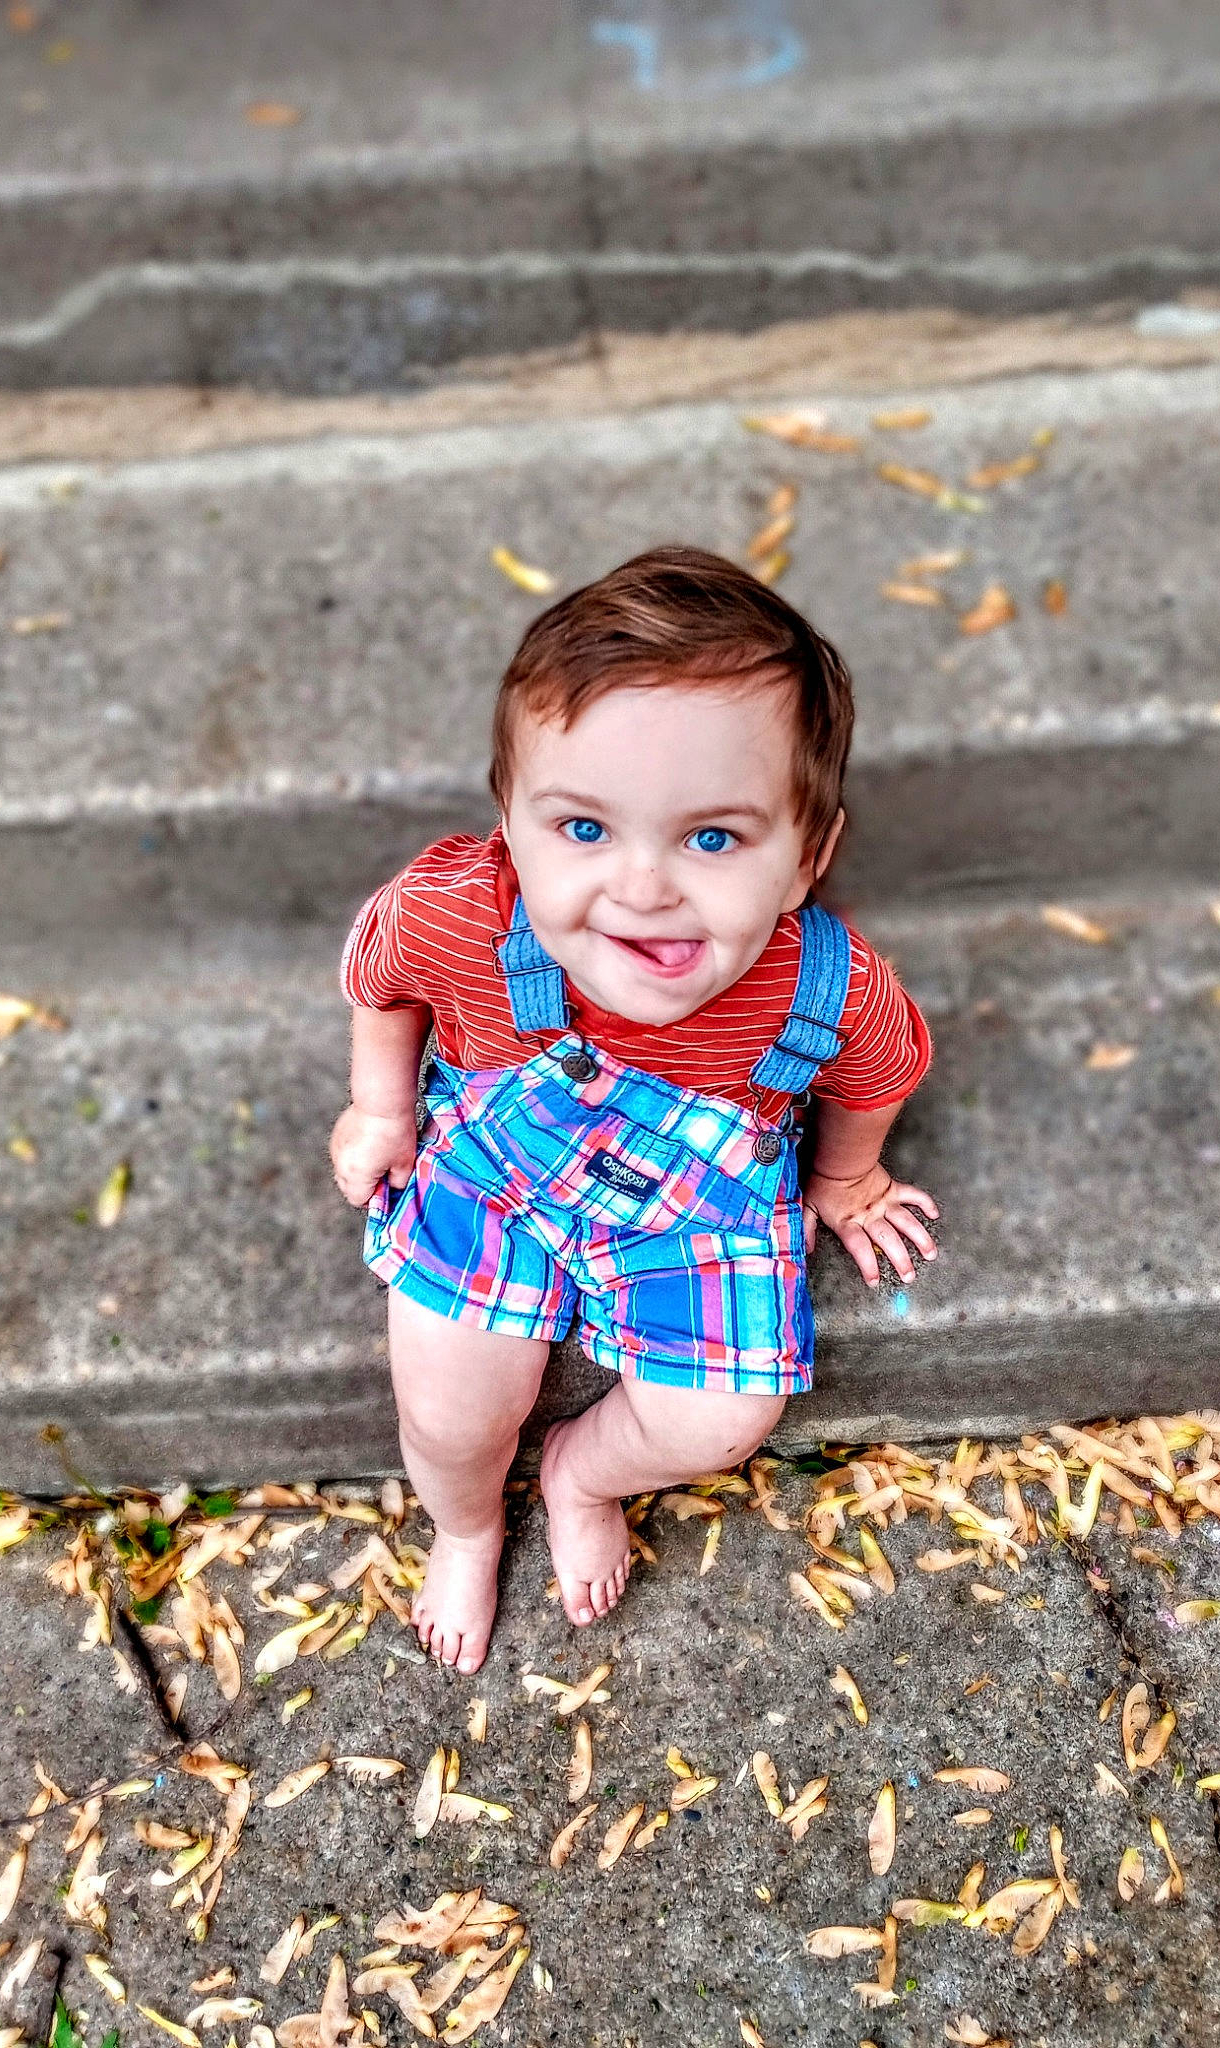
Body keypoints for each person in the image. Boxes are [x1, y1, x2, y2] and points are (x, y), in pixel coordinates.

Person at [330, 545, 937, 1675]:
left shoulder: (827, 988)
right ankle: (466, 1518)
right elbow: (383, 974)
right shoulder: (462, 910)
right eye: (585, 828)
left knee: (722, 1416)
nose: (644, 885)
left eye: (712, 837)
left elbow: (877, 1074)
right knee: (453, 1411)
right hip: (497, 1175)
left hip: (694, 1206)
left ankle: (581, 1469)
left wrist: (846, 1178)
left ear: (808, 854)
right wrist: (380, 1105)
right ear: (509, 817)